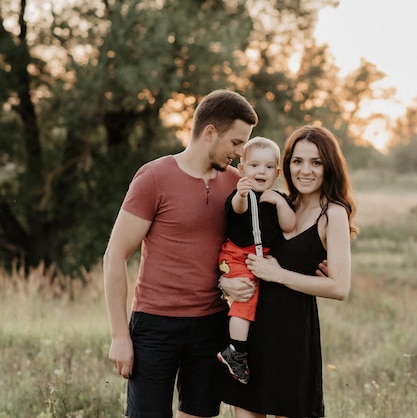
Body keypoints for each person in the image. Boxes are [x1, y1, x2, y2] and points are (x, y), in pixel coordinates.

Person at [103, 89, 258, 418]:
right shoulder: (154, 177)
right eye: (236, 142)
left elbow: (257, 239)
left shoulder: (235, 184)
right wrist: (119, 336)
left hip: (211, 325)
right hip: (155, 326)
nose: (241, 152)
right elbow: (115, 255)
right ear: (210, 132)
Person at [220, 125, 358, 418]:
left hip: (292, 336)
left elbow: (340, 288)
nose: (305, 171)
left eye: (316, 162)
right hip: (251, 334)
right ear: (287, 166)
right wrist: (225, 282)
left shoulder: (333, 213)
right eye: (298, 161)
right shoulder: (277, 201)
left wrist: (279, 274)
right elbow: (234, 248)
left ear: (328, 167)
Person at [217, 136, 296, 384]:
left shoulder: (278, 198)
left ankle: (241, 346)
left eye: (269, 167)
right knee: (246, 297)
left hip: (258, 257)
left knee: (257, 301)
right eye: (254, 166)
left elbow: (290, 226)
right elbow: (238, 209)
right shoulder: (242, 196)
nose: (261, 171)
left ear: (277, 172)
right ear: (241, 170)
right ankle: (235, 350)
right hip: (238, 255)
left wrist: (281, 203)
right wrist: (242, 193)